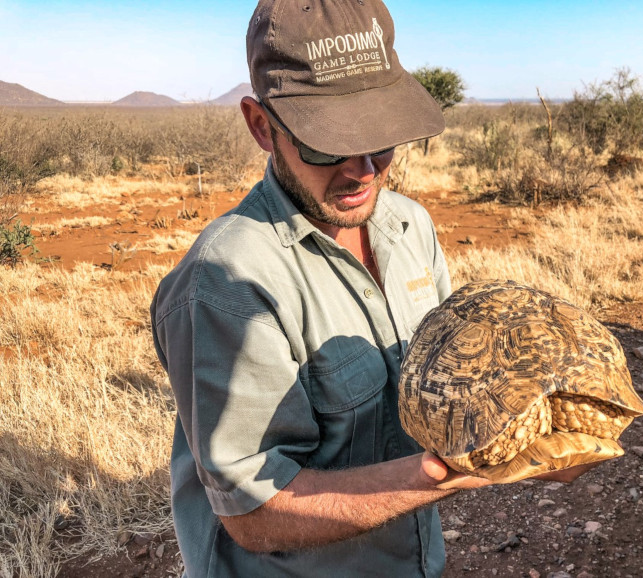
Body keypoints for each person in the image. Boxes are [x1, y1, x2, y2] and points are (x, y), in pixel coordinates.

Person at [151, 1, 592, 576]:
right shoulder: (224, 285)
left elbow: (445, 391)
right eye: (327, 145)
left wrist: (530, 433)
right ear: (262, 127)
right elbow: (254, 514)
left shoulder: (409, 226)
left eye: (380, 141)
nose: (362, 170)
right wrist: (451, 471)